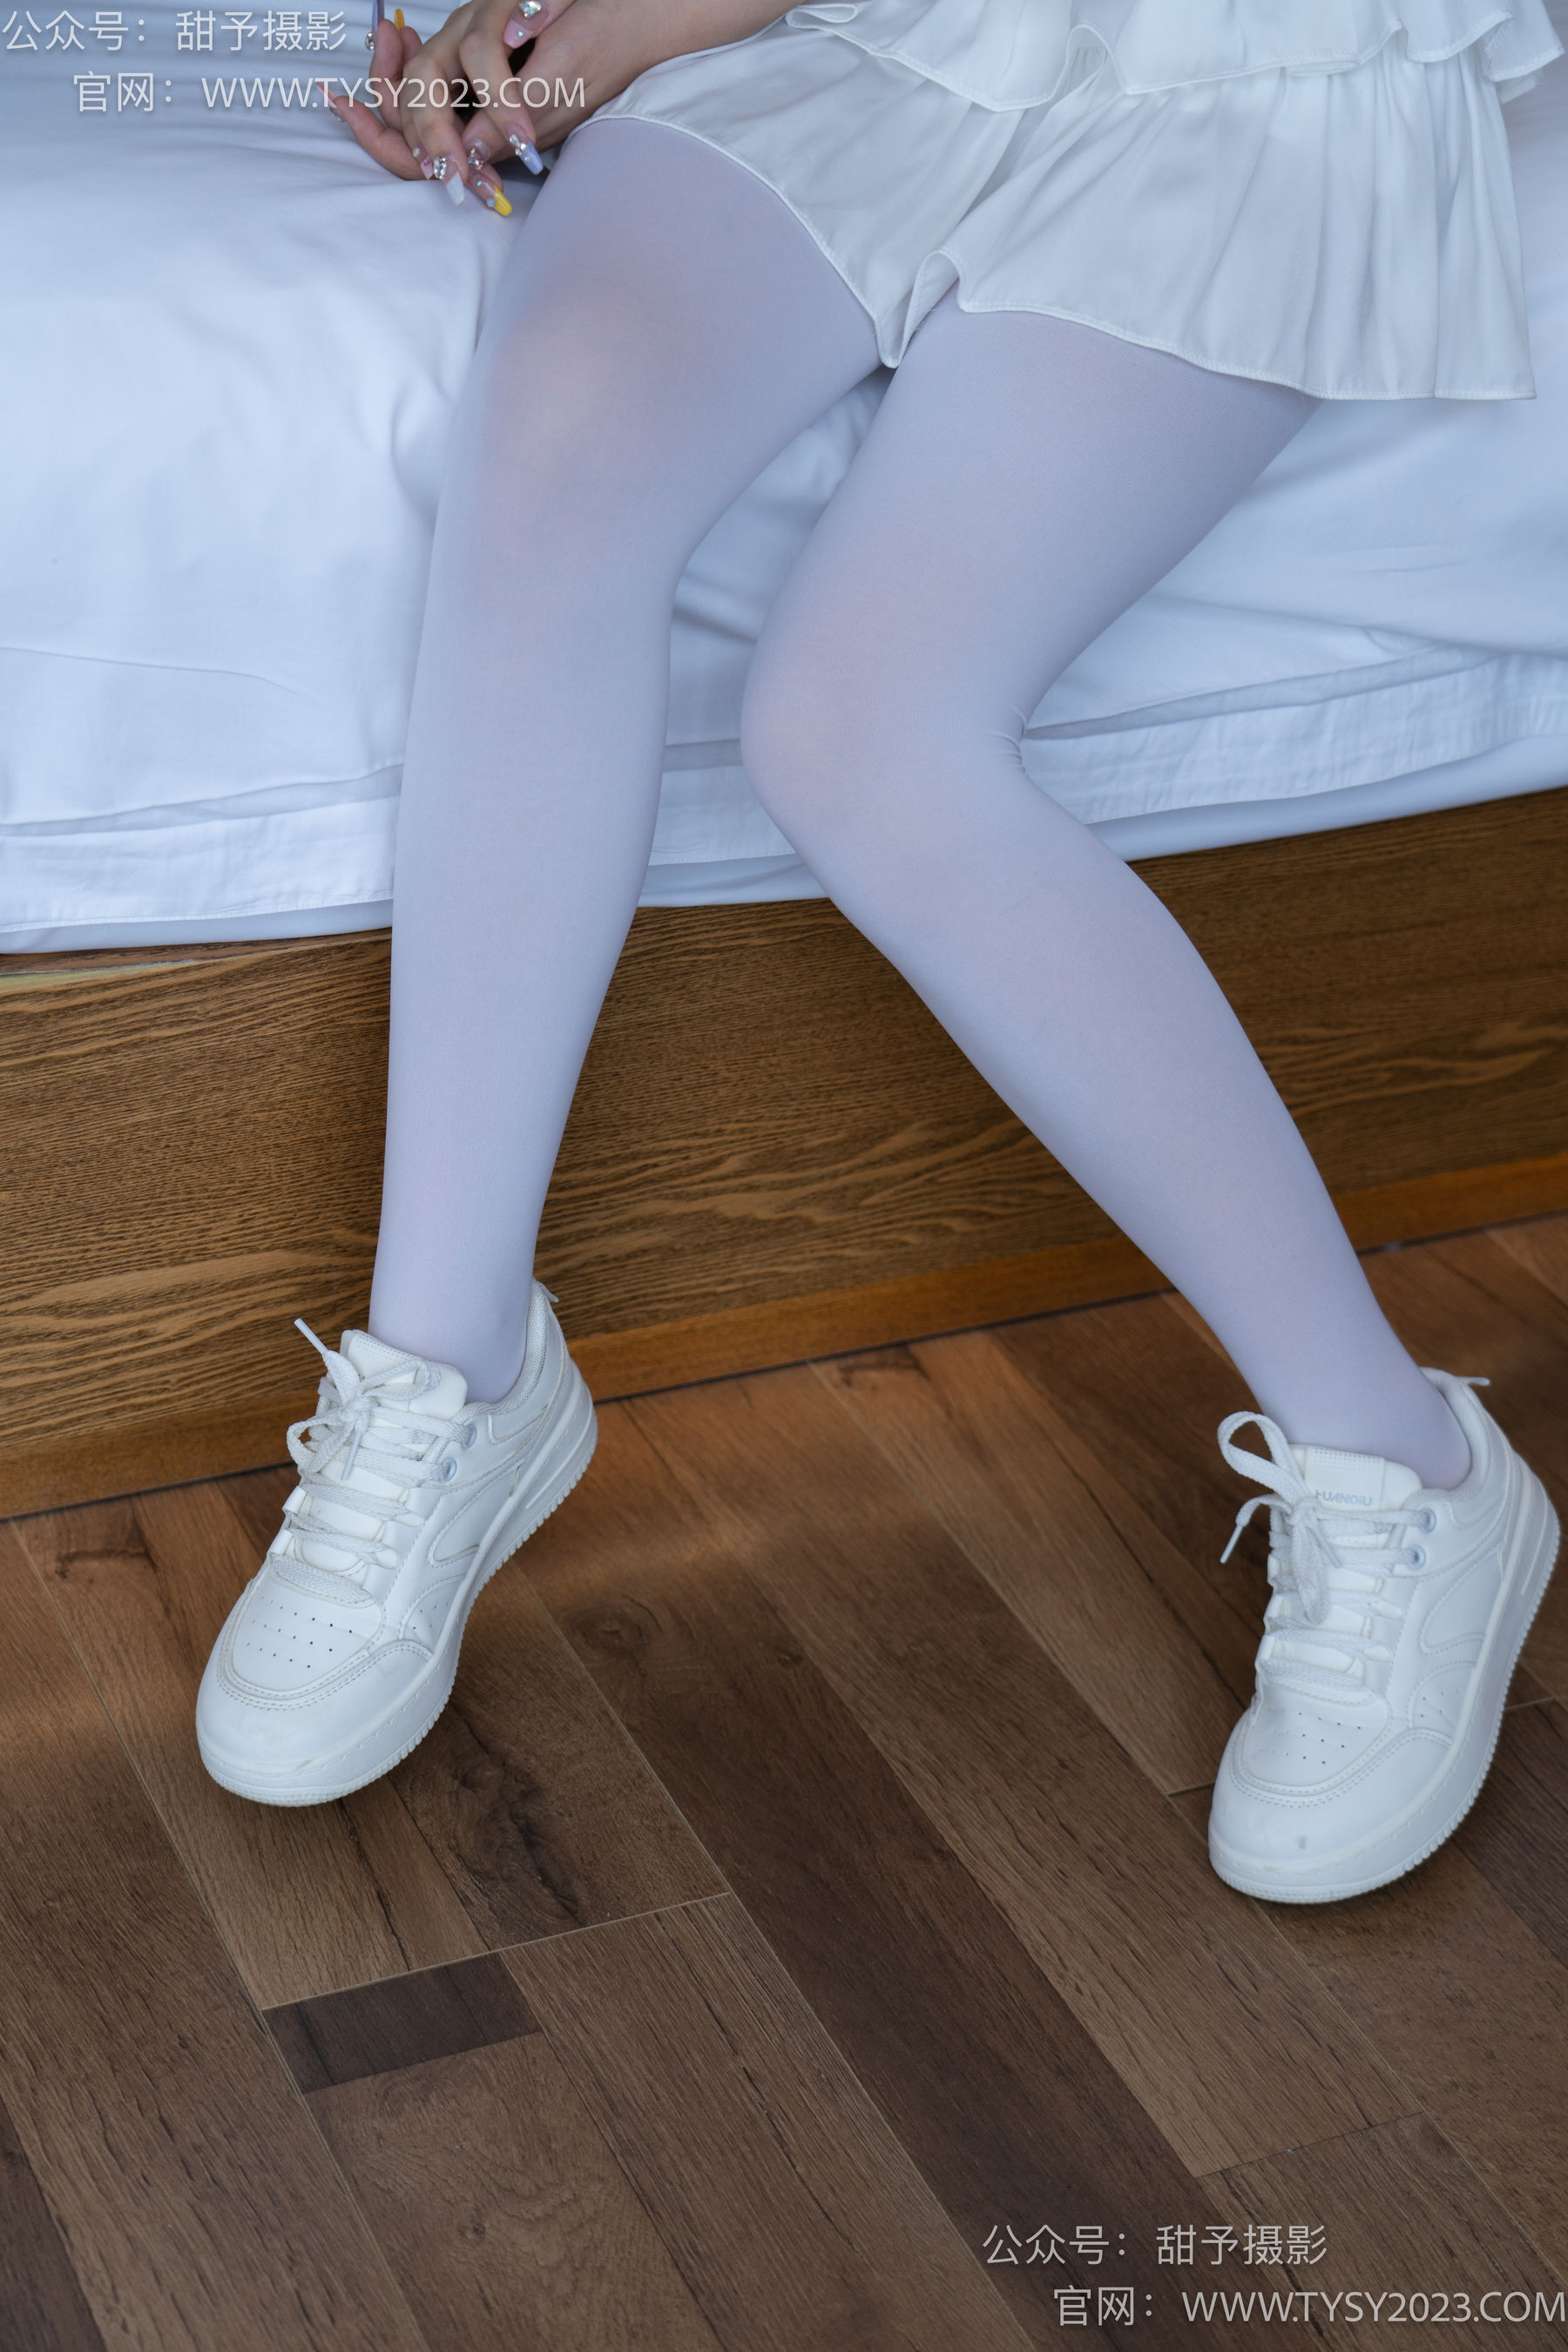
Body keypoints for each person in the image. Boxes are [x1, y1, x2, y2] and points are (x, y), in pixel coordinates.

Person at [195, 0, 1563, 1903]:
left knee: (863, 728)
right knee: (551, 458)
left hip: (1243, 60)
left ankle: (1404, 1464)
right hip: (866, 31)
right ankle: (451, 1367)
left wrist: (610, 37)